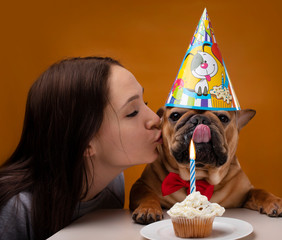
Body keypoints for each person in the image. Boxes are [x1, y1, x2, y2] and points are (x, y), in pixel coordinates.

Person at [0, 57, 162, 240]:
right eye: (132, 112)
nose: (156, 119)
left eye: (145, 103)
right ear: (85, 143)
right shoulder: (16, 209)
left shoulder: (112, 182)